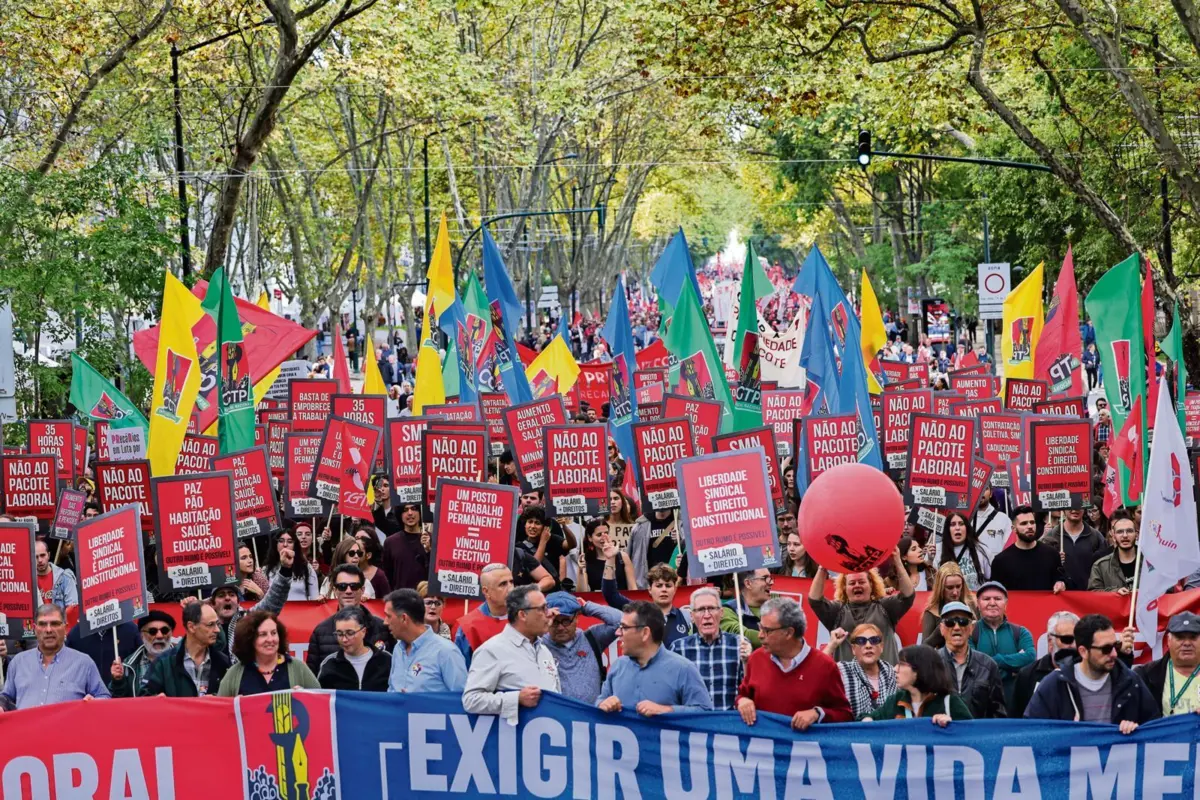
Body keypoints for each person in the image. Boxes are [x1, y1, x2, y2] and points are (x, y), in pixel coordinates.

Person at [1025, 613, 1158, 732]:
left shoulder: (1131, 681)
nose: (1114, 654)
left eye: (1115, 646)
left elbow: (1155, 728)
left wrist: (1138, 730)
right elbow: (1032, 733)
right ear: (1083, 651)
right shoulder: (1055, 684)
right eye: (1105, 649)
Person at [736, 598, 853, 728]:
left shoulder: (825, 666)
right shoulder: (756, 659)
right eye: (760, 628)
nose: (760, 635)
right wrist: (742, 701)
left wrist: (817, 714)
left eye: (766, 630)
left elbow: (844, 714)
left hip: (804, 746)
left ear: (789, 633)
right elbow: (742, 694)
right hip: (763, 745)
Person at [462, 585, 561, 723]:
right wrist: (516, 699)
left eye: (547, 607)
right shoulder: (492, 650)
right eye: (542, 608)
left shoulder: (544, 651)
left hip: (548, 736)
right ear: (522, 615)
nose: (549, 613)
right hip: (512, 739)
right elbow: (471, 700)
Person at [597, 600, 713, 715]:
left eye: (624, 627)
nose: (618, 632)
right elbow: (599, 703)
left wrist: (667, 710)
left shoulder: (684, 669)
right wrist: (602, 704)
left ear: (645, 633)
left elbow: (705, 713)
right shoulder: (617, 666)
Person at [809, 550, 915, 664]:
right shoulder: (837, 611)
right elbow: (815, 600)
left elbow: (908, 595)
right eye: (852, 583)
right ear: (844, 588)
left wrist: (897, 561)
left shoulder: (885, 607)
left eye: (861, 581)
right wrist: (822, 567)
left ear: (871, 584)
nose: (857, 585)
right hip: (848, 680)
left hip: (884, 680)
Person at [1, 604, 110, 710]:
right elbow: (6, 698)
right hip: (26, 728)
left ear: (65, 628)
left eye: (54, 624)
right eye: (43, 624)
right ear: (35, 628)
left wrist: (94, 702)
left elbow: (105, 698)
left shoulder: (84, 663)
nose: (48, 630)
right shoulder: (18, 662)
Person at [203, 540, 293, 659]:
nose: (227, 598)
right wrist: (192, 609)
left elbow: (273, 600)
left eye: (232, 594)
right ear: (213, 603)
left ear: (238, 601)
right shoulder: (203, 625)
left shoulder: (247, 619)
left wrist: (285, 569)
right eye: (221, 595)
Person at [669, 587, 749, 710]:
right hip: (694, 725)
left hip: (728, 724)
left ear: (721, 613)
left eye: (711, 608)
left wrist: (748, 662)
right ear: (692, 616)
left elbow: (749, 691)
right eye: (701, 610)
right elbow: (672, 694)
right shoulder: (678, 648)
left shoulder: (739, 644)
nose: (707, 615)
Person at [305, 564, 392, 673]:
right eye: (342, 586)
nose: (348, 591)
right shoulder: (321, 631)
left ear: (363, 589)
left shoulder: (382, 627)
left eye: (354, 586)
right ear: (335, 590)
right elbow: (312, 679)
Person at [541, 591, 623, 705]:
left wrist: (585, 606)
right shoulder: (539, 644)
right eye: (554, 621)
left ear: (576, 618)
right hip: (557, 718)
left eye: (566, 620)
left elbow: (620, 621)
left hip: (592, 717)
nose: (560, 627)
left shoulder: (592, 638)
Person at [861, 644, 972, 723]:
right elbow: (866, 718)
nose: (895, 669)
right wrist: (867, 720)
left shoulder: (950, 702)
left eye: (902, 664)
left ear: (920, 669)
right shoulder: (895, 700)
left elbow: (973, 733)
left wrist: (953, 725)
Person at [384, 589, 467, 693]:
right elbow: (392, 689)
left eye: (388, 616)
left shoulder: (447, 652)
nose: (385, 622)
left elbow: (460, 699)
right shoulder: (398, 649)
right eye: (429, 602)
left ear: (404, 618)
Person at [218, 611, 319, 695]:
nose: (270, 639)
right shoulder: (234, 673)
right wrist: (233, 707)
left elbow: (320, 702)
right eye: (263, 634)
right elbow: (220, 711)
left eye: (274, 633)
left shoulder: (298, 668)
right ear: (249, 639)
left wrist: (305, 697)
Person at [142, 602, 230, 697]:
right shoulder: (164, 663)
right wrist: (156, 700)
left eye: (217, 624)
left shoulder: (223, 662)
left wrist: (217, 698)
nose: (217, 630)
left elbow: (234, 699)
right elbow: (144, 699)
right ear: (191, 627)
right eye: (210, 624)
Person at [936, 601, 1007, 718]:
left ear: (971, 628)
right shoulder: (930, 664)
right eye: (950, 622)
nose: (957, 627)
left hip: (978, 734)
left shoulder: (988, 666)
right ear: (942, 629)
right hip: (941, 733)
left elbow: (998, 713)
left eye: (963, 622)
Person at [970, 581, 1035, 708]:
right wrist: (1011, 671)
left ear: (1005, 604)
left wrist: (995, 661)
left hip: (1014, 702)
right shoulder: (970, 632)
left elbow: (1030, 658)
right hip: (980, 703)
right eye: (986, 599)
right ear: (978, 604)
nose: (992, 603)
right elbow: (972, 664)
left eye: (998, 599)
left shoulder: (1021, 632)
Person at [606, 559, 692, 646]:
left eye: (668, 585)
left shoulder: (686, 616)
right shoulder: (641, 612)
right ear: (650, 589)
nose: (664, 589)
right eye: (659, 586)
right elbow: (611, 595)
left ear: (675, 589)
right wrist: (610, 559)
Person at [1012, 611, 1079, 717]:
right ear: (1050, 641)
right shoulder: (1027, 675)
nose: (1074, 645)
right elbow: (1017, 719)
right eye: (1067, 639)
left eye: (1078, 640)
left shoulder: (1089, 673)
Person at [825, 623, 898, 719]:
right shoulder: (842, 671)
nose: (868, 645)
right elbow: (814, 674)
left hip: (888, 732)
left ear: (881, 647)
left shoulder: (893, 675)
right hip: (853, 732)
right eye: (861, 641)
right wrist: (831, 645)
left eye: (874, 640)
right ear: (853, 649)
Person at [1134, 611, 1200, 716]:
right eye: (1180, 637)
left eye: (1193, 637)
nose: (1187, 643)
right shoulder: (1146, 675)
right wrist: (1124, 656)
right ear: (1169, 641)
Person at [989, 505, 1067, 592]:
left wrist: (1061, 583)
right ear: (1014, 529)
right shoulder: (1001, 561)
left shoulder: (1051, 554)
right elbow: (996, 593)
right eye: (1024, 523)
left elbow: (1061, 579)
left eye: (1032, 522)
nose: (1030, 526)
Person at [318, 605, 393, 691]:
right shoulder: (329, 664)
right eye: (339, 634)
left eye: (350, 633)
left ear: (363, 631)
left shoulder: (386, 660)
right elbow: (320, 699)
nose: (344, 639)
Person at [455, 564, 515, 665]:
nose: (511, 589)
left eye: (511, 582)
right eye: (503, 584)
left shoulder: (526, 617)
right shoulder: (469, 627)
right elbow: (461, 670)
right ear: (486, 591)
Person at [109, 610, 178, 698]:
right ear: (142, 636)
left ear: (171, 633)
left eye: (164, 630)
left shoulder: (184, 659)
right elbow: (118, 701)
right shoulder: (129, 665)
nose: (159, 636)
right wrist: (118, 681)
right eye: (152, 631)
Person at [1043, 507, 1109, 591]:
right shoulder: (1051, 535)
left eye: (1079, 506)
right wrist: (1054, 558)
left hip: (1089, 597)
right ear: (1063, 508)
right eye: (1070, 506)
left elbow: (1105, 568)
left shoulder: (1096, 536)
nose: (1075, 510)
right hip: (1060, 598)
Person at [920, 562, 976, 649]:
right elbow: (923, 649)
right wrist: (939, 632)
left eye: (958, 586)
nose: (955, 592)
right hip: (944, 660)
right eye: (949, 587)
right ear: (940, 588)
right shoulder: (932, 612)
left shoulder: (973, 604)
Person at [719, 568, 776, 648]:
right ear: (748, 583)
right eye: (765, 578)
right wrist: (778, 639)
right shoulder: (728, 610)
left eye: (771, 578)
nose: (771, 582)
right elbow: (741, 634)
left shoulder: (778, 606)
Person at [575, 518, 635, 591]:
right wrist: (581, 571)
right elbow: (582, 592)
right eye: (599, 535)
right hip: (598, 601)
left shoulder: (623, 557)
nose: (604, 537)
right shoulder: (585, 560)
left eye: (606, 533)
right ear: (590, 537)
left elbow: (633, 588)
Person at [381, 502, 429, 590]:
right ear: (400, 514)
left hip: (425, 599)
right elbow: (387, 575)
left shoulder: (430, 540)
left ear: (420, 512)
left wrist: (429, 550)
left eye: (414, 509)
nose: (410, 513)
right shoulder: (390, 542)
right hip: (400, 598)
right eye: (405, 510)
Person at [937, 512, 990, 591]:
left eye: (961, 524)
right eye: (953, 524)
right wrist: (929, 561)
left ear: (967, 528)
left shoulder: (981, 549)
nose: (957, 528)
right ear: (947, 529)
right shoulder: (937, 550)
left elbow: (990, 579)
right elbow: (933, 583)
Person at [1088, 510, 1137, 593]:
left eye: (1129, 531)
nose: (1125, 535)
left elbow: (1165, 589)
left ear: (1136, 534)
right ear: (1113, 536)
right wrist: (1115, 592)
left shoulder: (1151, 562)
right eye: (1120, 532)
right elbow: (1093, 595)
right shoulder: (1100, 566)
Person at [628, 508, 678, 588]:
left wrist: (681, 538)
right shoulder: (640, 526)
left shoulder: (682, 522)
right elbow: (630, 558)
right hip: (647, 584)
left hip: (677, 582)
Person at [265, 528, 319, 600]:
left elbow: (315, 598)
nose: (285, 544)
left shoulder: (307, 568)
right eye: (281, 541)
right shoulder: (266, 569)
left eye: (290, 542)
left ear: (294, 545)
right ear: (275, 544)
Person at [34, 538, 78, 610]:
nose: (40, 560)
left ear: (48, 555)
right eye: (36, 557)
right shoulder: (27, 582)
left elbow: (72, 609)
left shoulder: (65, 578)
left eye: (42, 555)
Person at [973, 487, 1012, 564]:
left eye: (985, 489)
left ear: (991, 493)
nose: (981, 491)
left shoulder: (1004, 519)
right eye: (976, 488)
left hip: (997, 571)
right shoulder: (964, 519)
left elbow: (1010, 549)